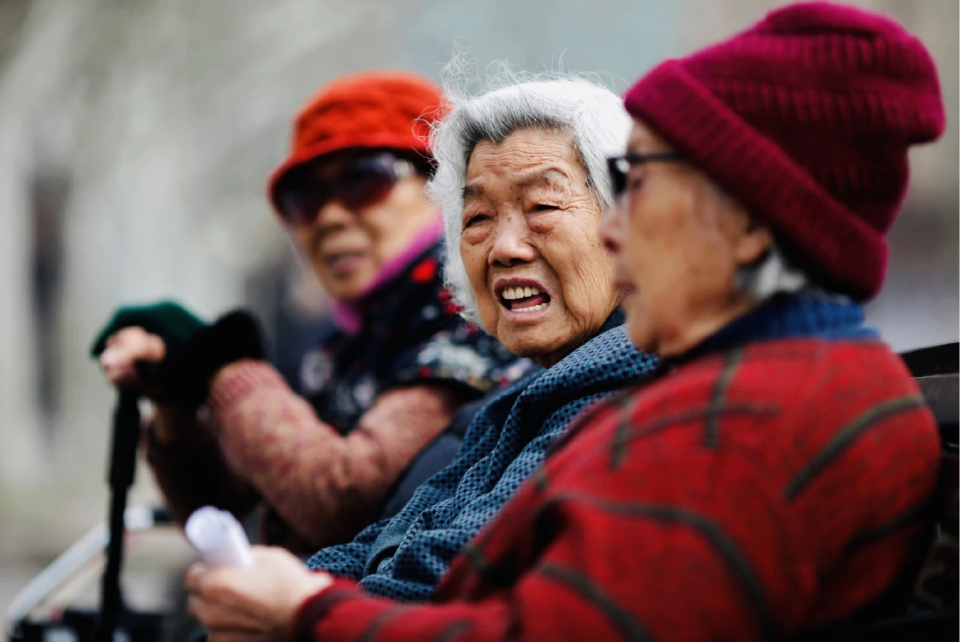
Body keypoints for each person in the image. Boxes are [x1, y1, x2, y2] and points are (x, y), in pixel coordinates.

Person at [184, 3, 946, 641]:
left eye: (637, 184)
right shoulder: (734, 386)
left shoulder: (751, 414)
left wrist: (308, 612)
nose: (616, 230)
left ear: (746, 222)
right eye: (476, 218)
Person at [92, 71, 531, 554]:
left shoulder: (473, 311)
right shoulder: (345, 339)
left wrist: (221, 366)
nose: (328, 217)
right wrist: (175, 400)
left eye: (363, 178)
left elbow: (341, 498)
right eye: (304, 197)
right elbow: (225, 514)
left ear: (445, 187)